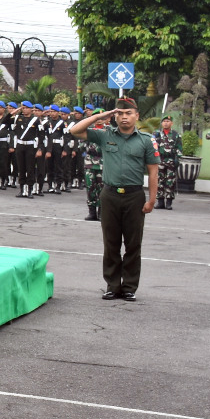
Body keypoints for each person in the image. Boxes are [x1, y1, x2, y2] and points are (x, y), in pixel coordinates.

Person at [69, 99, 157, 301]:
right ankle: (112, 285)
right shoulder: (104, 135)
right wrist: (99, 116)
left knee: (133, 244)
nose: (124, 117)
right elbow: (75, 130)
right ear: (114, 116)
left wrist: (151, 200)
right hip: (109, 195)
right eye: (120, 113)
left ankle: (129, 287)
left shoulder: (146, 140)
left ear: (137, 116)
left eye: (128, 113)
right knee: (111, 243)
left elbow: (153, 172)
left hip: (134, 196)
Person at [153, 117, 180, 210]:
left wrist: (177, 159)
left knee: (170, 182)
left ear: (171, 123)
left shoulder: (176, 135)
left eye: (167, 121)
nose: (165, 123)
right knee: (160, 181)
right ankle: (160, 202)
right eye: (164, 121)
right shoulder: (157, 134)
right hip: (160, 160)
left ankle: (169, 202)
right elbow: (152, 146)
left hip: (171, 161)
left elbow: (179, 148)